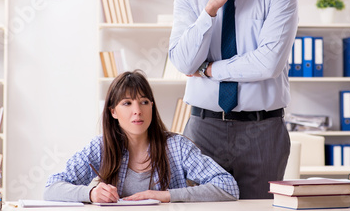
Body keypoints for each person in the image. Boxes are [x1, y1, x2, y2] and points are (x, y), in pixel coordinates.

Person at [168, 0, 299, 199]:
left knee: (259, 208)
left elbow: (268, 63)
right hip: (203, 129)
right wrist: (210, 9)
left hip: (262, 131)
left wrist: (209, 70)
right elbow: (183, 61)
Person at [44, 70, 239, 203]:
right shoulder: (101, 147)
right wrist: (91, 193)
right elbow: (51, 188)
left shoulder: (176, 146)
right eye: (127, 103)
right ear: (113, 112)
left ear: (152, 107)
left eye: (144, 102)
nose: (137, 111)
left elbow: (229, 186)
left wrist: (166, 196)